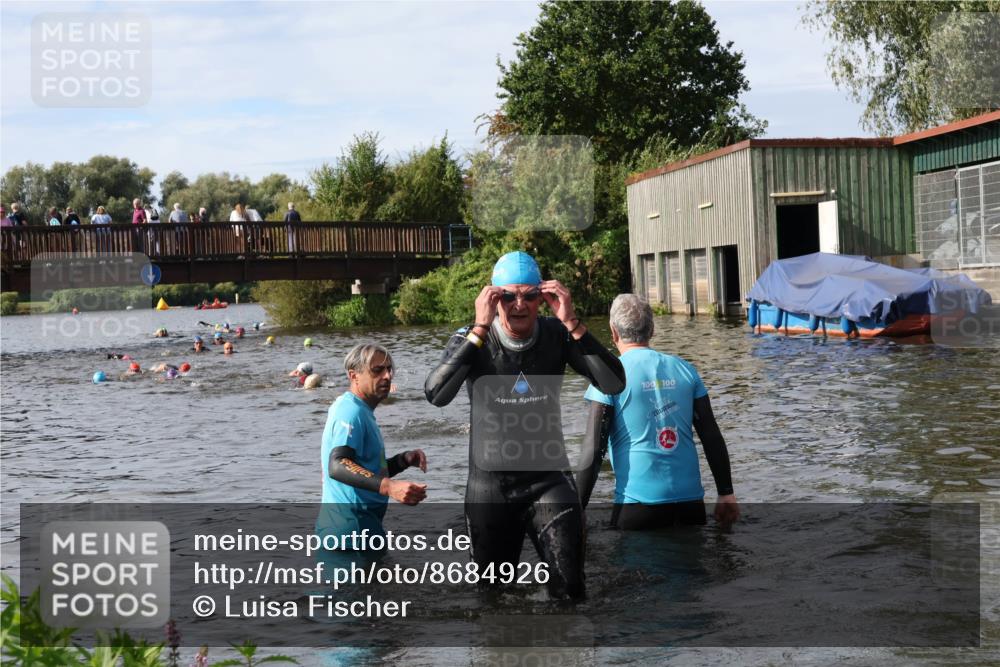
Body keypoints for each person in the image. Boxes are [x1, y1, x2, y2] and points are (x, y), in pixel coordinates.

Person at [424, 251, 626, 600]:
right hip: (490, 487)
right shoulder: (473, 339)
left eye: (530, 296)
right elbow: (437, 395)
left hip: (547, 480)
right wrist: (479, 329)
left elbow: (614, 383)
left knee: (572, 594)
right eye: (508, 296)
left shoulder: (558, 335)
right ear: (492, 298)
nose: (519, 305)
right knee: (491, 599)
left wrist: (573, 322)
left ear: (543, 297)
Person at [577, 294, 740, 530]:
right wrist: (726, 493)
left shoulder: (607, 375)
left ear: (613, 332)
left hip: (638, 505)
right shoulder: (686, 370)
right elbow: (711, 434)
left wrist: (575, 509)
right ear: (652, 330)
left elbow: (593, 448)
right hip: (690, 503)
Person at [319, 344, 428, 554]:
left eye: (389, 370)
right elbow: (338, 465)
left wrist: (403, 460)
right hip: (348, 538)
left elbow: (365, 469)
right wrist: (390, 487)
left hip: (363, 532)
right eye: (377, 370)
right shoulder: (349, 411)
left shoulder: (362, 410)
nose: (387, 376)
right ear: (354, 376)